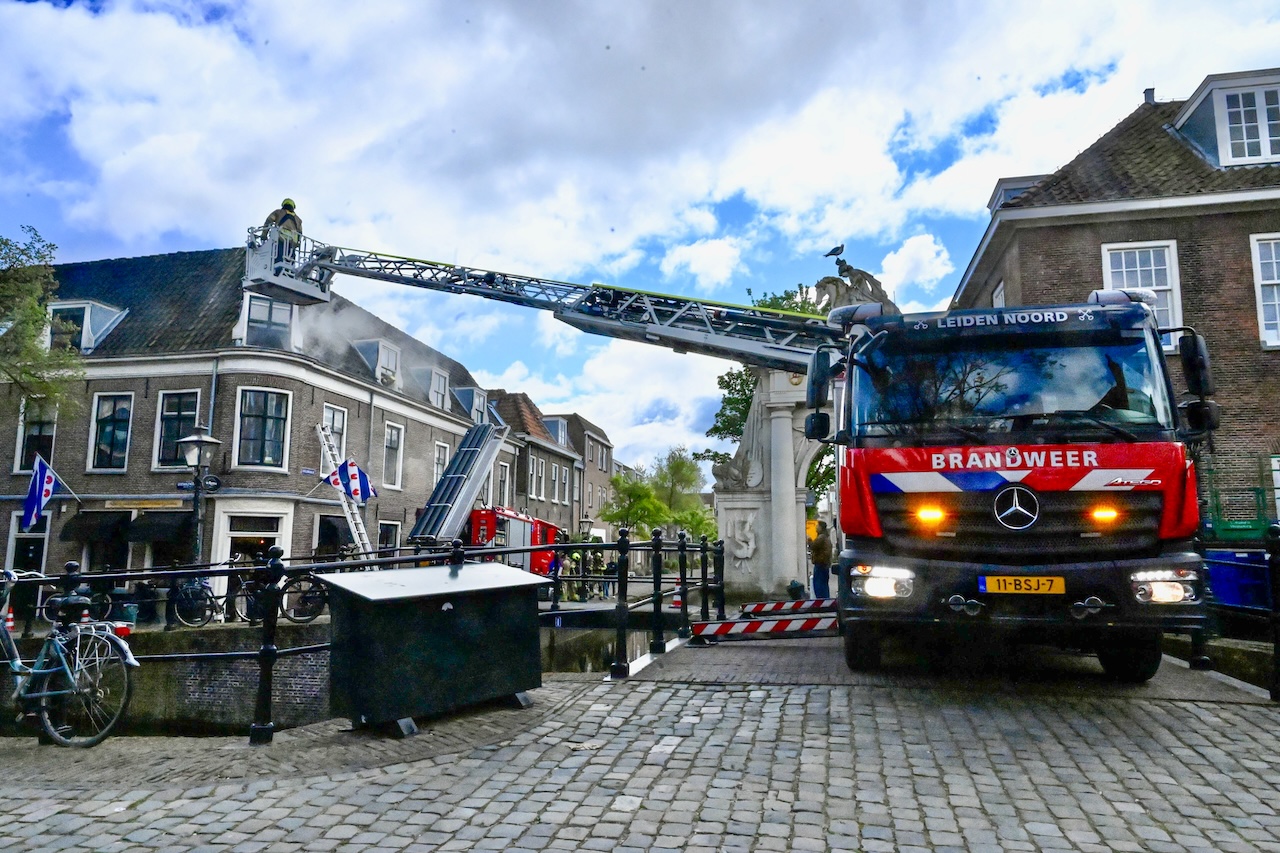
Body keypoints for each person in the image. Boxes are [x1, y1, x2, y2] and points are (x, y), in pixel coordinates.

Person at [263, 198, 303, 265]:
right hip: (292, 242)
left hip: (280, 238)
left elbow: (268, 222)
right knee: (290, 258)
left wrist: (264, 235)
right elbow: (300, 233)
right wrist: (297, 243)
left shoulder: (278, 212)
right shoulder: (298, 219)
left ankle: (277, 269)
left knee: (278, 256)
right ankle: (290, 270)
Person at [810, 520, 833, 599]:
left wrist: (809, 540)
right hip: (824, 564)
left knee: (819, 585)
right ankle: (825, 600)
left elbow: (813, 546)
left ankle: (822, 601)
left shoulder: (821, 538)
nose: (816, 527)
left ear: (821, 527)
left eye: (817, 526)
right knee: (823, 584)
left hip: (820, 564)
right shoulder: (825, 537)